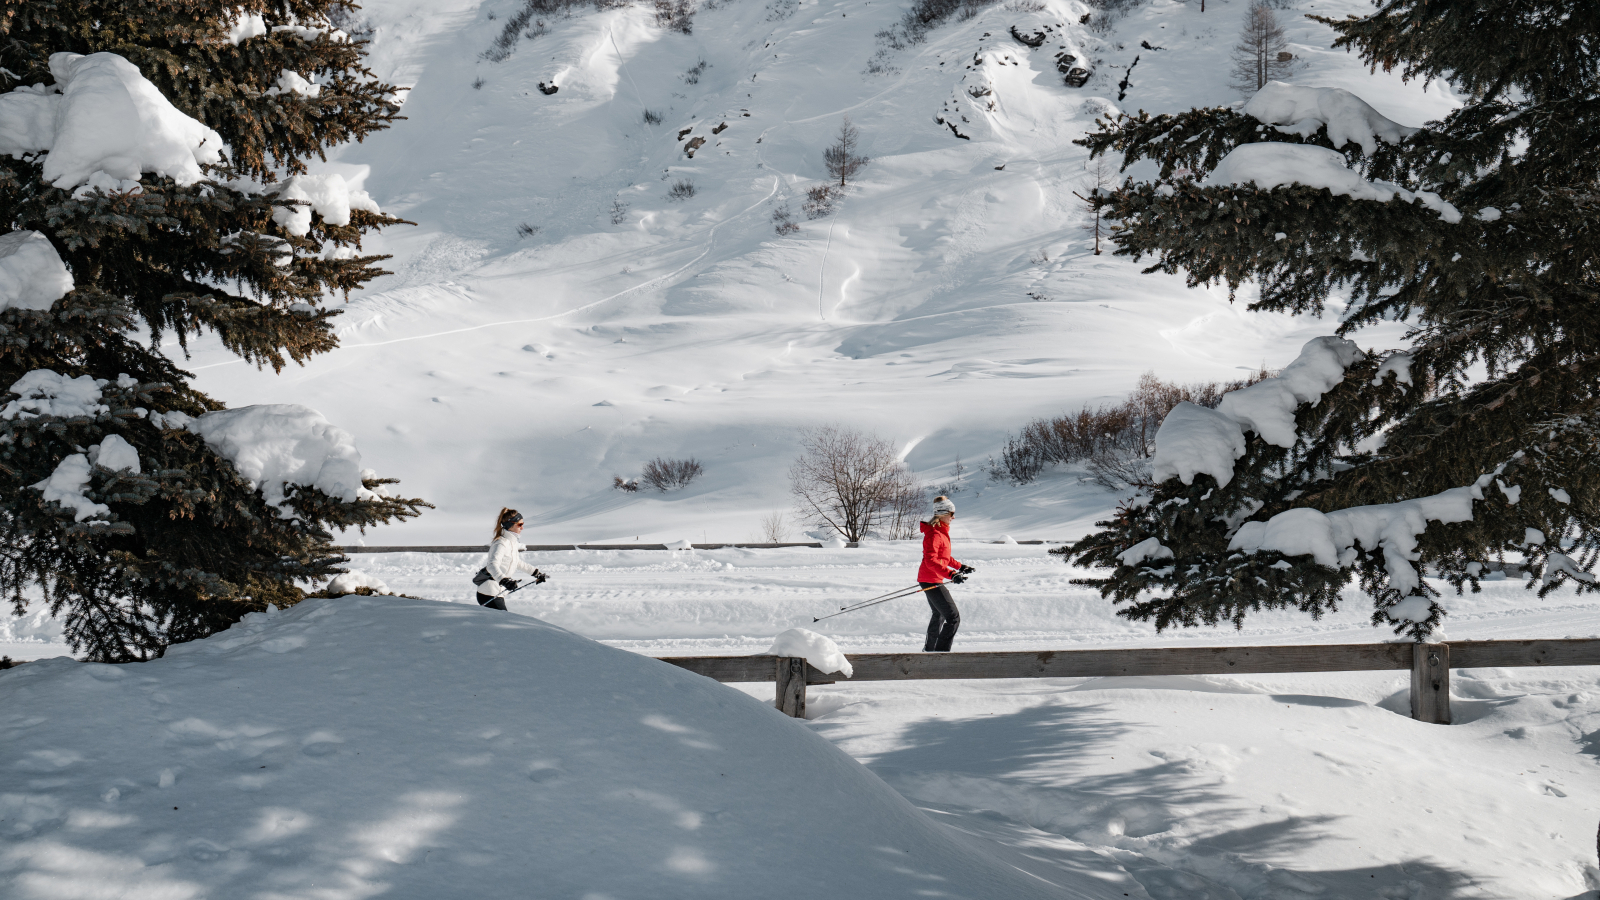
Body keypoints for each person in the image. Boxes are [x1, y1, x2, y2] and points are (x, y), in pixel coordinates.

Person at [918, 495, 974, 652]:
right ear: (943, 514)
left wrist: (960, 567)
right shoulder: (935, 535)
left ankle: (930, 651)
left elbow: (944, 557)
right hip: (930, 580)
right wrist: (951, 575)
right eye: (951, 514)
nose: (953, 517)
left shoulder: (940, 533)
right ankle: (940, 653)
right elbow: (931, 561)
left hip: (931, 579)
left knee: (939, 615)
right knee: (953, 618)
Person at [473, 508, 547, 610]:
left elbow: (516, 563)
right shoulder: (501, 543)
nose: (522, 528)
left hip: (497, 592)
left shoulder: (511, 543)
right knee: (503, 622)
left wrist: (536, 573)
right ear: (510, 525)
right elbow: (492, 565)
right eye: (520, 524)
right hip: (488, 593)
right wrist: (504, 581)